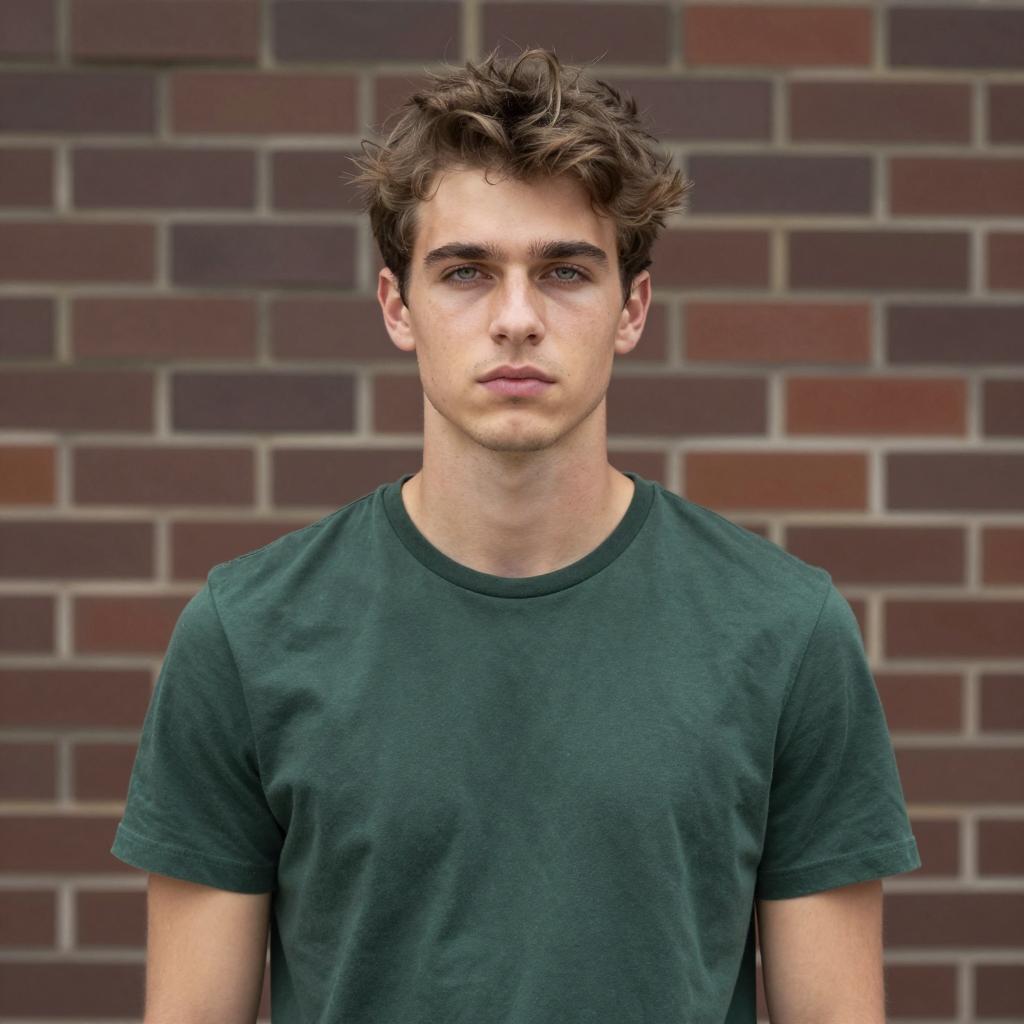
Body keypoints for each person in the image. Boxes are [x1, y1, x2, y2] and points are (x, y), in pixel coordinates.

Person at [110, 46, 921, 1024]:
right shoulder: (247, 634)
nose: (516, 318)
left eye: (564, 271)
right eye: (465, 271)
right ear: (396, 305)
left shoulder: (784, 631)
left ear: (631, 307)